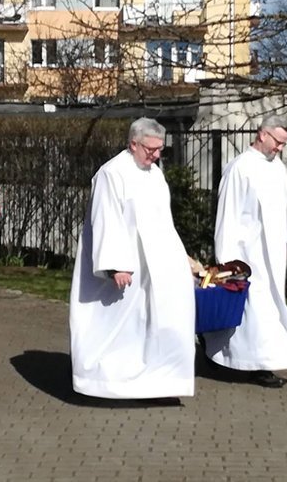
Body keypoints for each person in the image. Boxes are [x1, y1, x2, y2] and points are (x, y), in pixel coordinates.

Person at [69, 117, 196, 399]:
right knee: (116, 327)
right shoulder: (112, 173)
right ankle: (106, 382)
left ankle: (157, 381)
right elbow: (105, 218)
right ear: (133, 144)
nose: (156, 155)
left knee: (157, 320)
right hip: (126, 269)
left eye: (160, 149)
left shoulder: (155, 174)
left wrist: (178, 256)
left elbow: (163, 220)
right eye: (150, 149)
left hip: (156, 267)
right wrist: (116, 265)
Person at [204, 115, 287, 388]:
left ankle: (240, 358)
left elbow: (285, 205)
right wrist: (226, 259)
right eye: (278, 141)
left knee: (264, 308)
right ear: (262, 134)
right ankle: (256, 366)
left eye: (284, 143)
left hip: (272, 252)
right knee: (253, 309)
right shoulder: (240, 168)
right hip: (247, 253)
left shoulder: (277, 168)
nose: (280, 148)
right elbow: (227, 213)